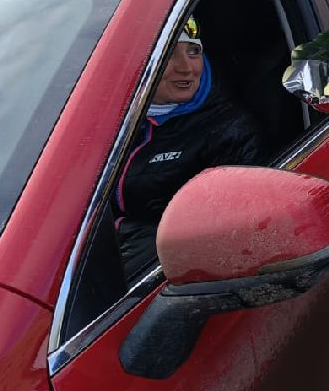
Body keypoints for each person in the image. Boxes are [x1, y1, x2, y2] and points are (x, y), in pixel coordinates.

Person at [113, 16, 266, 283]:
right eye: (170, 54)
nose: (186, 68)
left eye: (193, 52)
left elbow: (229, 239)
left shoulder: (230, 131)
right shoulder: (110, 112)